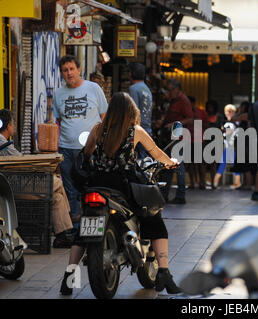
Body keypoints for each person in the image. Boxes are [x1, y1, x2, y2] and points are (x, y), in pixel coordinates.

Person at [60, 92, 180, 295]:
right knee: (153, 218)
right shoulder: (135, 131)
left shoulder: (98, 130)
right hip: (124, 187)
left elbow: (86, 156)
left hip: (96, 185)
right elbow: (157, 153)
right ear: (130, 112)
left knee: (83, 231)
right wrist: (171, 162)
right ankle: (164, 272)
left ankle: (68, 279)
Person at [0, 109, 74, 248]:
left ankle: (61, 236)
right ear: (8, 125)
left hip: (17, 183)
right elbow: (21, 161)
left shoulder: (4, 141)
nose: (14, 125)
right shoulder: (2, 142)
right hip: (14, 186)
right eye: (13, 122)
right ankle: (69, 217)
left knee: (57, 197)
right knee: (56, 182)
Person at [52, 55, 108, 227]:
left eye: (71, 69)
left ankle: (92, 223)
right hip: (66, 147)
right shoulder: (58, 93)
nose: (69, 73)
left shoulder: (93, 88)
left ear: (79, 70)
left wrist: (101, 141)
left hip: (89, 148)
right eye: (65, 70)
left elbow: (104, 116)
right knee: (69, 188)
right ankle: (76, 228)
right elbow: (57, 122)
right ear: (61, 73)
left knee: (91, 186)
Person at [158, 78, 193, 204]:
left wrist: (174, 124)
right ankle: (165, 194)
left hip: (180, 138)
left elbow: (190, 119)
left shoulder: (183, 100)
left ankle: (180, 195)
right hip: (171, 138)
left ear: (176, 89)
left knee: (179, 166)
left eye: (170, 89)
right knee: (169, 165)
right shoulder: (173, 101)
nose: (168, 92)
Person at [213, 104, 241, 189]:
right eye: (227, 111)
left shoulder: (234, 122)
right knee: (226, 163)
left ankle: (215, 182)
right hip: (227, 145)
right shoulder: (226, 122)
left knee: (225, 163)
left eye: (230, 111)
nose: (228, 113)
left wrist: (223, 131)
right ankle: (216, 182)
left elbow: (229, 132)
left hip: (232, 146)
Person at [128, 62, 153, 160]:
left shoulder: (133, 89)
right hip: (147, 129)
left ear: (131, 74)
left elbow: (133, 112)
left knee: (137, 160)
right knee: (144, 160)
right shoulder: (146, 89)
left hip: (137, 130)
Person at [186, 96, 208, 190]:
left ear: (193, 103)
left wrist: (197, 121)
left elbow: (207, 124)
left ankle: (202, 182)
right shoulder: (185, 112)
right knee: (190, 163)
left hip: (199, 140)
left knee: (200, 163)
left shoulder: (201, 111)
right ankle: (192, 182)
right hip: (188, 139)